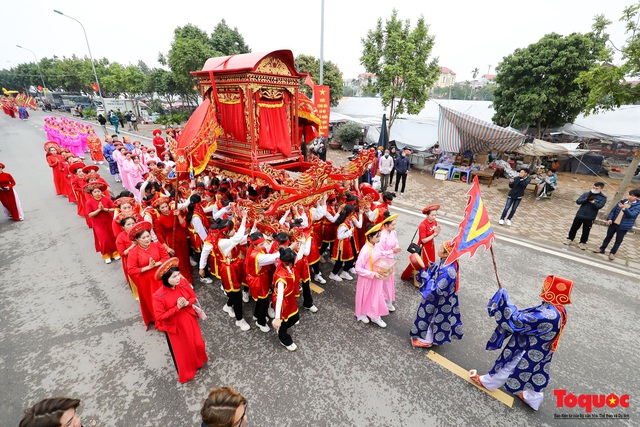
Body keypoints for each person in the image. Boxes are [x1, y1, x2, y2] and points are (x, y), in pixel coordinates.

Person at [469, 275, 574, 411]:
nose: (542, 288)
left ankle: (488, 382)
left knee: (509, 363)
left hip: (529, 347)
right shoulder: (558, 309)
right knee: (539, 369)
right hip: (543, 348)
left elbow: (518, 320)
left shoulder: (549, 315)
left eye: (546, 287)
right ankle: (533, 399)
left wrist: (505, 301)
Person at [153, 257, 208, 383]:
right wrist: (177, 308)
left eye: (178, 275)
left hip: (189, 319)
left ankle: (198, 361)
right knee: (183, 350)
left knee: (197, 343)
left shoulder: (183, 283)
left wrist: (188, 302)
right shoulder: (158, 296)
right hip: (175, 326)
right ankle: (188, 370)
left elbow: (194, 297)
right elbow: (160, 317)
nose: (178, 278)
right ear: (166, 279)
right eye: (174, 277)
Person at [410, 240, 463, 348]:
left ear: (446, 254)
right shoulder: (448, 262)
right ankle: (430, 338)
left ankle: (426, 340)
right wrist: (433, 267)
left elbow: (436, 290)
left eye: (440, 248)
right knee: (434, 319)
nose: (438, 249)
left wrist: (424, 274)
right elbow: (439, 272)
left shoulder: (449, 271)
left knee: (431, 318)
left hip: (440, 300)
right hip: (442, 298)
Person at [128, 221, 170, 329]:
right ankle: (159, 319)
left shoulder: (156, 245)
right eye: (143, 238)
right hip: (146, 281)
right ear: (137, 240)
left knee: (166, 298)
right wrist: (148, 267)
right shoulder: (133, 252)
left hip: (160, 275)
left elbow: (166, 257)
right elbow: (131, 270)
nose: (147, 239)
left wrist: (156, 264)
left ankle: (169, 315)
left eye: (148, 236)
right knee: (153, 301)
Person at [354, 223, 389, 327]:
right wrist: (372, 274)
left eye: (379, 235)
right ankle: (362, 313)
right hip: (367, 278)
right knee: (365, 296)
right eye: (377, 236)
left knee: (377, 295)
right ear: (370, 236)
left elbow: (381, 254)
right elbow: (358, 268)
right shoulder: (365, 250)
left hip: (377, 275)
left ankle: (375, 316)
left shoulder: (376, 245)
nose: (379, 238)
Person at [594, 189, 640, 260]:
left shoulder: (638, 206)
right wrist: (610, 219)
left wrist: (624, 209)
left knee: (618, 240)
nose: (630, 197)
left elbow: (632, 215)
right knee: (608, 237)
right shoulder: (623, 201)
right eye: (629, 195)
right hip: (613, 223)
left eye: (632, 196)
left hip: (623, 226)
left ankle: (612, 253)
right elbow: (613, 211)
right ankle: (602, 249)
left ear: (637, 197)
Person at [401, 204, 441, 281]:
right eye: (432, 215)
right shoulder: (423, 225)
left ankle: (425, 277)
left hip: (430, 245)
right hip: (423, 247)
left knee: (429, 262)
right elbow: (423, 240)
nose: (434, 217)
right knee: (420, 263)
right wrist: (434, 234)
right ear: (427, 214)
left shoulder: (435, 222)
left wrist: (436, 233)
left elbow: (433, 234)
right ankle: (417, 279)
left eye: (436, 215)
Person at [272, 247, 301, 351]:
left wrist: (302, 244)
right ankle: (284, 338)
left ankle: (281, 329)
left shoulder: (287, 265)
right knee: (283, 321)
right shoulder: (281, 276)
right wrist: (277, 317)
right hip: (283, 300)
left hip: (290, 297)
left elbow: (299, 256)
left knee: (294, 317)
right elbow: (280, 297)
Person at [564, 182, 607, 250]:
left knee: (586, 230)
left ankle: (583, 242)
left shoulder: (602, 198)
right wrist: (586, 199)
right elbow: (578, 201)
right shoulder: (586, 194)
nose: (594, 189)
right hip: (580, 214)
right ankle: (570, 238)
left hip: (590, 217)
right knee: (574, 228)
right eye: (593, 187)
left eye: (596, 188)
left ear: (601, 189)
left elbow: (599, 206)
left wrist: (593, 203)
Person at [85, 183, 120, 263]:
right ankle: (106, 254)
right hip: (98, 224)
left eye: (98, 191)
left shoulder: (107, 199)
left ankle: (115, 252)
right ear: (91, 194)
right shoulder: (89, 202)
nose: (97, 193)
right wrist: (99, 210)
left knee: (112, 237)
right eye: (95, 192)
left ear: (101, 192)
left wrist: (105, 209)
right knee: (104, 239)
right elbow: (90, 214)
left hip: (109, 221)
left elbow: (114, 209)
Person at [378, 213, 401, 311]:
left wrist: (396, 247)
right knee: (384, 282)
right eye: (392, 225)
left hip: (390, 260)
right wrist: (392, 251)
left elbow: (396, 241)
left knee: (389, 281)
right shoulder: (382, 236)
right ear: (386, 225)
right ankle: (386, 302)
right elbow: (379, 252)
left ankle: (387, 300)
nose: (394, 227)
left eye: (394, 224)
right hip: (383, 261)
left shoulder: (393, 232)